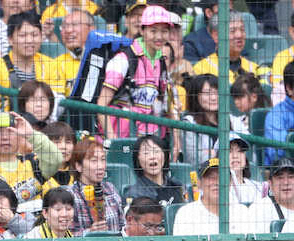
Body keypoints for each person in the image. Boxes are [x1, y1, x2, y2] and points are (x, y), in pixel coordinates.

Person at [96, 5, 176, 139]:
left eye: (164, 31)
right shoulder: (123, 59)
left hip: (145, 141)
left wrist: (176, 141)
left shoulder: (161, 62)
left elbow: (168, 106)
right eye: (153, 31)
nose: (159, 36)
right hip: (120, 137)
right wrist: (113, 141)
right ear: (142, 30)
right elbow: (102, 104)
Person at [0, 110, 61, 214]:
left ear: (19, 137)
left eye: (10, 132)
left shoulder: (33, 163)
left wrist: (31, 134)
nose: (5, 137)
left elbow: (57, 159)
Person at [0, 12, 63, 113]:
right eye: (23, 35)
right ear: (10, 39)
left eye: (35, 35)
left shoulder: (51, 66)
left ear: (41, 37)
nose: (30, 40)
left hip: (42, 126)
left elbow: (57, 106)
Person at [173, 158, 252, 235]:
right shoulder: (186, 214)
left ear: (230, 181)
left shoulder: (242, 212)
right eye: (210, 177)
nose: (216, 182)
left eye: (221, 177)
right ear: (199, 183)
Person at [193, 12, 268, 86]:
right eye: (232, 31)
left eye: (242, 30)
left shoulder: (254, 68)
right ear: (216, 36)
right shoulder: (201, 69)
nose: (239, 35)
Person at [68, 136, 122, 234]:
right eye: (94, 161)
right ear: (79, 166)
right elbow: (66, 235)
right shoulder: (70, 195)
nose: (100, 166)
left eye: (103, 159)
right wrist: (90, 233)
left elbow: (122, 224)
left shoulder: (110, 188)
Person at [125, 135, 186, 207]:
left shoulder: (177, 186)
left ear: (165, 155)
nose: (152, 157)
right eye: (146, 153)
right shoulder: (135, 194)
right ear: (138, 160)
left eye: (156, 151)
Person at [248, 157, 294, 232]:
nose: (286, 182)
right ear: (270, 184)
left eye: (291, 177)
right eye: (280, 178)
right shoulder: (259, 209)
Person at [180, 74, 218, 168]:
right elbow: (193, 158)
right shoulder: (188, 123)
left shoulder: (232, 120)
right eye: (207, 93)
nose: (213, 98)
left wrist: (212, 153)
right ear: (196, 96)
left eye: (217, 92)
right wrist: (222, 153)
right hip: (200, 176)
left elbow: (246, 154)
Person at [54, 9, 92, 90]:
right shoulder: (57, 64)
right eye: (64, 26)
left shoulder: (108, 59)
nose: (68, 30)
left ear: (91, 28)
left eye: (75, 24)